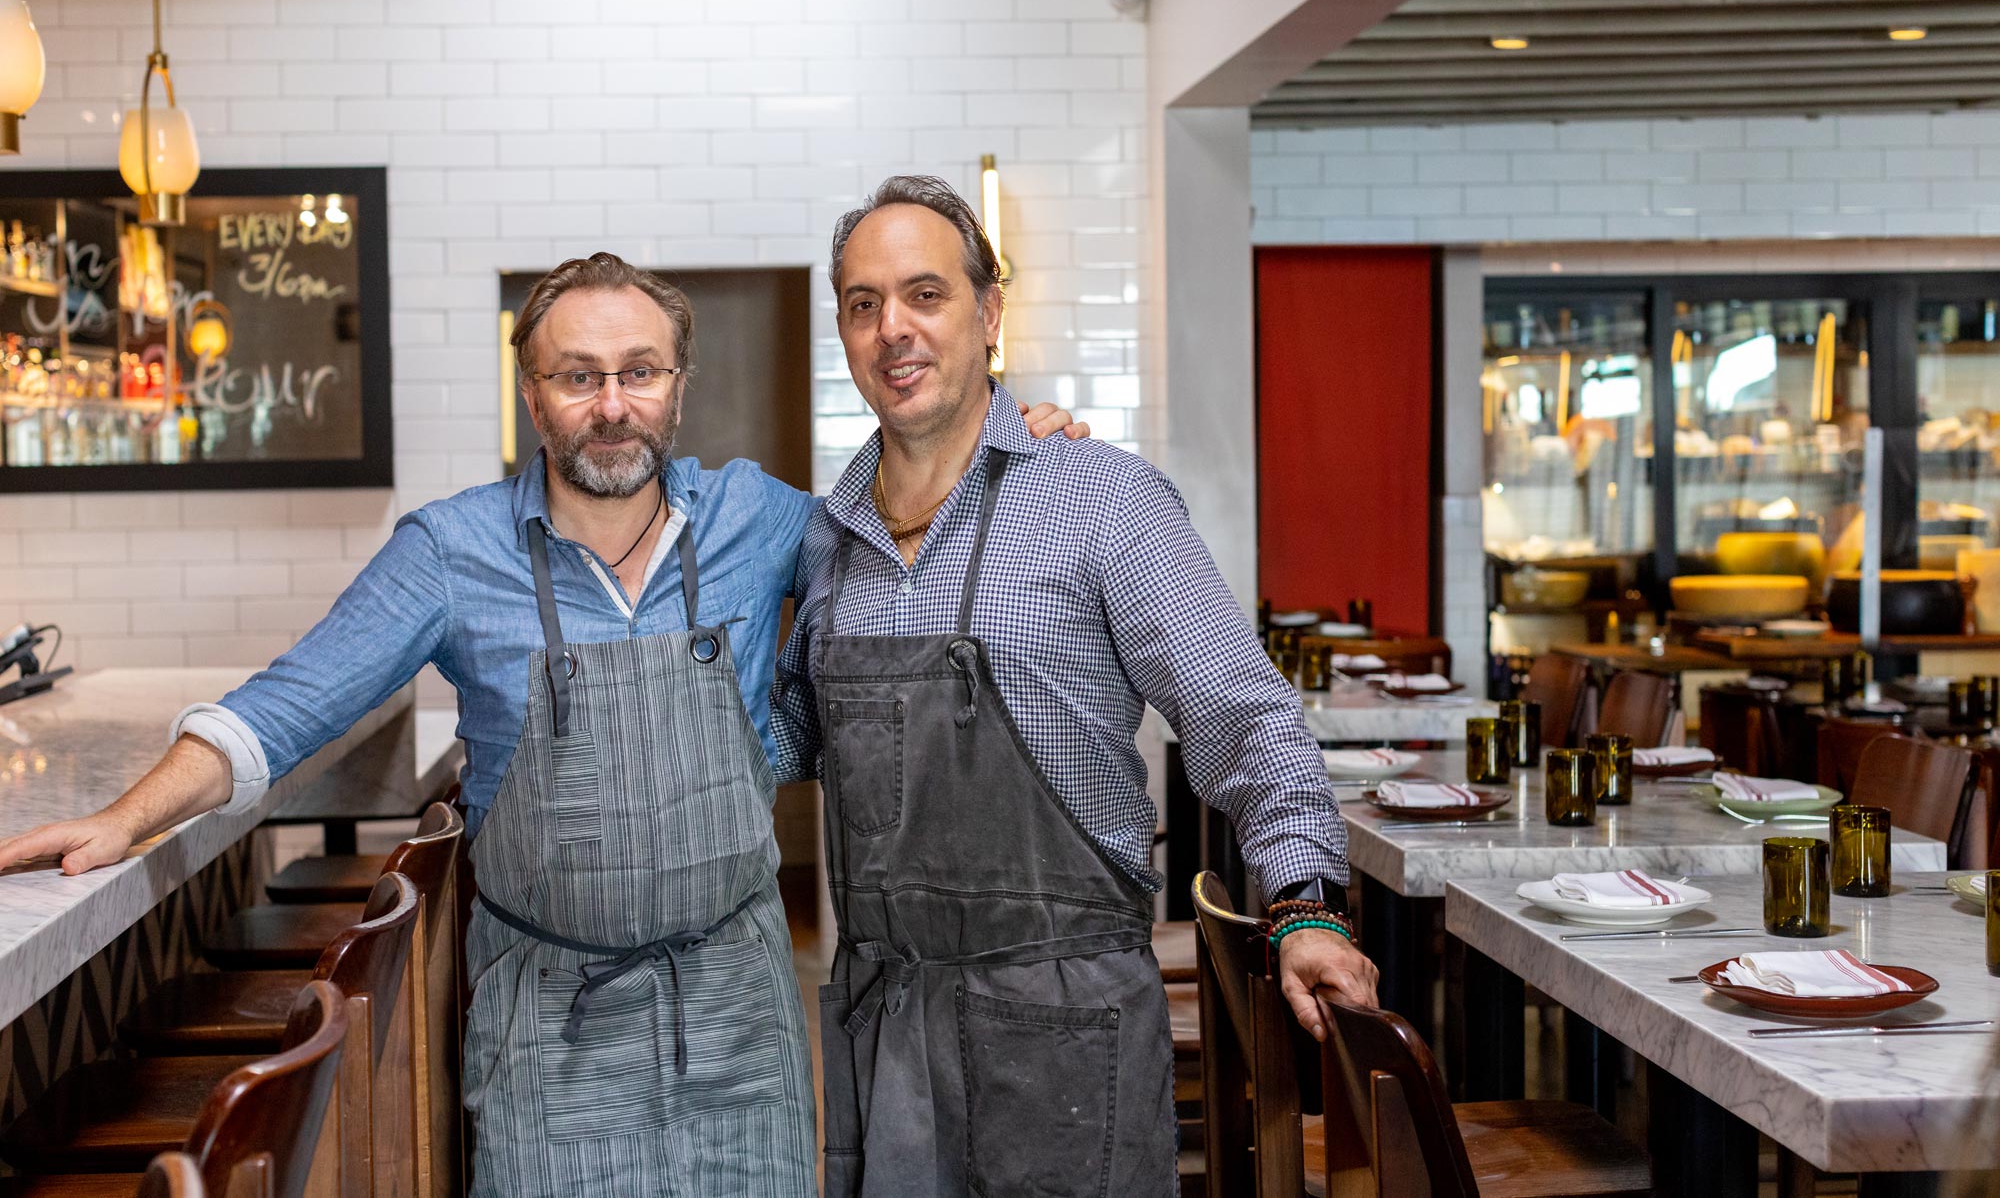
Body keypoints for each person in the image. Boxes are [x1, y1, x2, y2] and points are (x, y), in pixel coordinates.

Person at [0, 251, 1085, 1197]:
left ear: (677, 385)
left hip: (738, 1013)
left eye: (638, 372)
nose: (611, 404)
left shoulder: (758, 517)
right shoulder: (449, 551)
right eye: (578, 376)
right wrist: (123, 817)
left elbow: (911, 537)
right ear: (531, 393)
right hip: (549, 1021)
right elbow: (283, 708)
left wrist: (1011, 442)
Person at [772, 176, 1379, 1197]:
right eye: (863, 302)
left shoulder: (1100, 497)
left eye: (926, 294)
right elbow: (789, 734)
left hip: (1067, 1027)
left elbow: (1242, 717)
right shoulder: (828, 539)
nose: (893, 328)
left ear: (989, 312)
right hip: (889, 1030)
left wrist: (1304, 904)